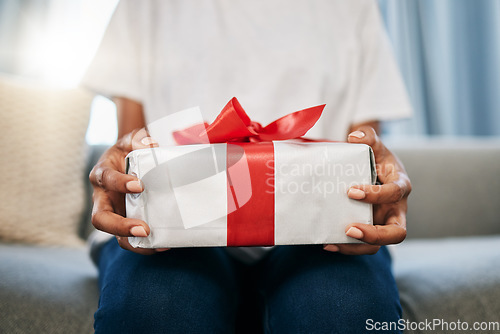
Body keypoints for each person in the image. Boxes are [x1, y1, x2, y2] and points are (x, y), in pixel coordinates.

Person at [83, 0, 412, 333]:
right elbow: (133, 143)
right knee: (153, 309)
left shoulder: (352, 7)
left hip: (321, 229)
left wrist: (379, 183)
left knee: (344, 312)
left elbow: (363, 148)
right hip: (173, 223)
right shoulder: (146, 6)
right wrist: (123, 178)